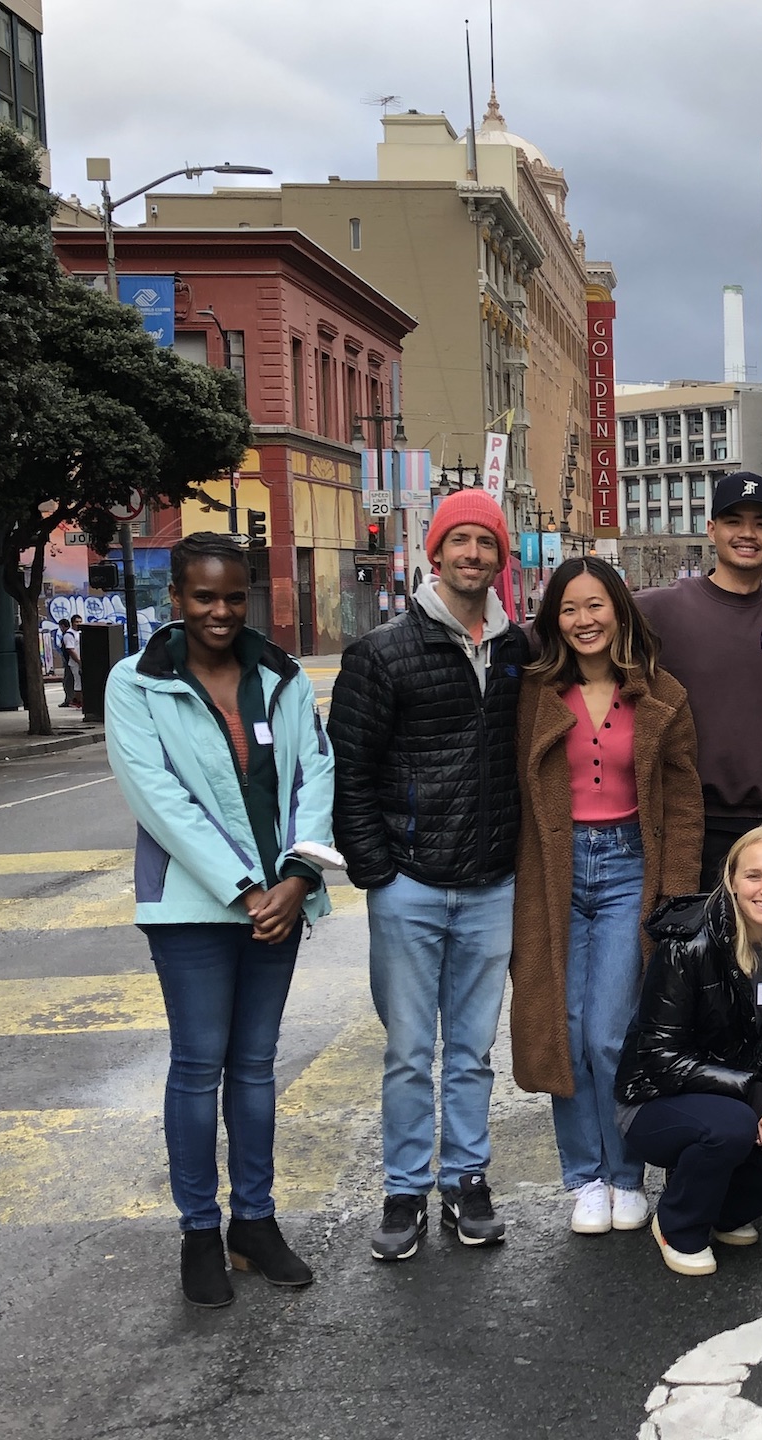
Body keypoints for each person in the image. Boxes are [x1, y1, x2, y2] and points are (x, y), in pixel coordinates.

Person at [104, 533, 335, 1307]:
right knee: (199, 1067)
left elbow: (315, 772)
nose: (220, 611)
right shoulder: (135, 684)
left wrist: (299, 876)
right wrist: (245, 891)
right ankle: (199, 1232)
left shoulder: (282, 674)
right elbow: (159, 801)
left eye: (234, 596)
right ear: (177, 598)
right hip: (194, 909)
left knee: (258, 1067)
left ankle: (255, 1223)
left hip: (281, 901)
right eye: (204, 597)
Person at [329, 488, 530, 1262]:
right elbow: (350, 772)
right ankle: (405, 1190)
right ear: (435, 553)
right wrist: (379, 873)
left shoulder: (522, 653)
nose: (473, 554)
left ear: (499, 557)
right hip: (409, 884)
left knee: (474, 1051)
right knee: (410, 1050)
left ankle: (467, 1180)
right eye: (461, 542)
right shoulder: (382, 652)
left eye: (487, 542)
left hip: (490, 884)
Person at [508, 556, 704, 1239]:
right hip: (551, 872)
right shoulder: (532, 693)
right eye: (569, 609)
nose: (584, 620)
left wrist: (676, 894)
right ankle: (584, 1176)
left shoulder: (661, 696)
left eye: (596, 606)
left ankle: (626, 1175)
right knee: (561, 1028)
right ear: (552, 619)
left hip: (628, 868)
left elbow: (683, 803)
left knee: (611, 1031)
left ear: (619, 611)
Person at [615, 826, 762, 1275]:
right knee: (732, 1126)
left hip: (738, 1100)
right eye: (754, 876)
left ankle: (718, 1211)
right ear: (731, 879)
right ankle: (677, 1225)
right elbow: (661, 1057)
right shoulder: (687, 941)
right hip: (654, 1100)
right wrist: (752, 1095)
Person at [637, 472, 762, 888]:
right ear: (711, 529)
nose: (747, 533)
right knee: (685, 951)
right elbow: (571, 628)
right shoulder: (663, 609)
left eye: (760, 524)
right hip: (685, 821)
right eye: (734, 521)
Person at [61, 615, 82, 708]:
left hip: (81, 661)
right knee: (78, 682)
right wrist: (78, 661)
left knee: (81, 682)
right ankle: (76, 700)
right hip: (75, 663)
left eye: (80, 621)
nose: (79, 624)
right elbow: (70, 650)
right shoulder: (69, 634)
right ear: (72, 623)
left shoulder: (80, 632)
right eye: (77, 622)